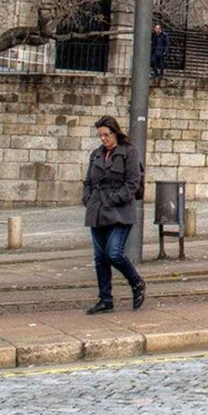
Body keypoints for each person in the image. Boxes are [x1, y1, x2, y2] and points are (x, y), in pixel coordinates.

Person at [82, 115, 145, 314]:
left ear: (115, 132)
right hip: (97, 212)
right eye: (100, 135)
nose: (103, 139)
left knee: (114, 253)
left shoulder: (129, 152)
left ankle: (137, 283)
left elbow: (133, 183)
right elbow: (88, 182)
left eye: (106, 135)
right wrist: (88, 198)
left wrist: (113, 199)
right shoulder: (96, 154)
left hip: (119, 211)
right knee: (100, 257)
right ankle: (105, 299)